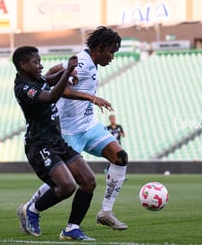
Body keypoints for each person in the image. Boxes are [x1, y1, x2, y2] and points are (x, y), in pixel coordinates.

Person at [22, 26, 129, 231]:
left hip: (88, 125)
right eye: (111, 52)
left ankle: (105, 212)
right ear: (99, 47)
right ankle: (29, 207)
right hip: (69, 130)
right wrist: (90, 96)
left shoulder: (89, 61)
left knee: (120, 157)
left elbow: (53, 71)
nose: (113, 57)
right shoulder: (83, 63)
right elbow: (58, 87)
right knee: (62, 180)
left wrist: (63, 71)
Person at [13, 46, 97, 241]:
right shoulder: (24, 88)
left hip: (56, 141)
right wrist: (67, 71)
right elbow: (51, 96)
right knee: (67, 186)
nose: (41, 65)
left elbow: (48, 80)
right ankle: (31, 210)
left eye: (40, 61)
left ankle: (71, 229)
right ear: (23, 65)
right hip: (39, 145)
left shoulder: (34, 78)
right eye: (36, 62)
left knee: (88, 181)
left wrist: (66, 72)